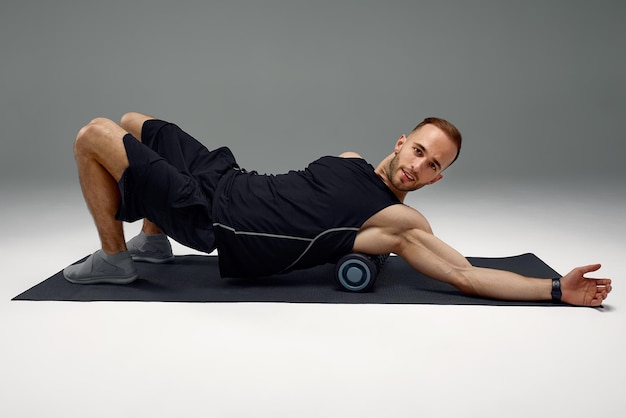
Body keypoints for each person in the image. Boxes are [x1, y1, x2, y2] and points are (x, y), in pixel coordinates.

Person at [63, 112, 612, 307]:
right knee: (136, 121)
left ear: (439, 177)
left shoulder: (395, 222)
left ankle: (117, 257)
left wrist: (555, 290)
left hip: (217, 220)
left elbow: (464, 274)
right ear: (401, 142)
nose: (418, 167)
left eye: (433, 165)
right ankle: (153, 241)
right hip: (227, 179)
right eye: (418, 150)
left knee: (96, 134)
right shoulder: (350, 159)